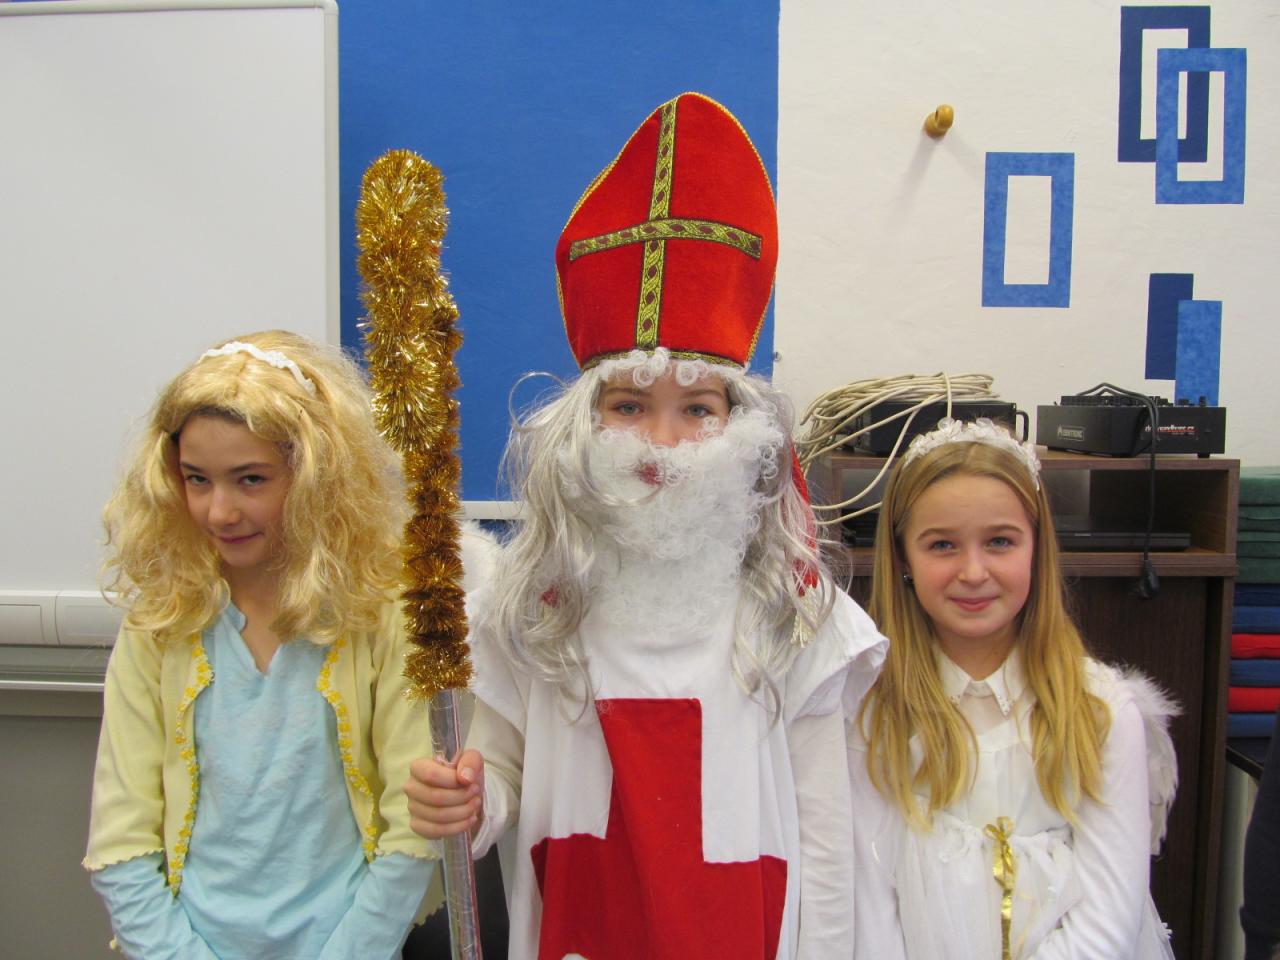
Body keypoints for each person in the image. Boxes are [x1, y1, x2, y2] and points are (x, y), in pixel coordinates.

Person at [404, 91, 887, 959]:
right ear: (583, 424)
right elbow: (503, 767)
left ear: (744, 428)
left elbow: (826, 842)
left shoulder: (795, 611)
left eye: (697, 410)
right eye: (628, 405)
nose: (660, 443)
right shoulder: (536, 605)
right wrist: (472, 800)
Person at [84, 330, 438, 959]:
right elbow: (121, 836)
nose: (219, 512)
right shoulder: (161, 622)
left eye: (250, 480)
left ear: (316, 478)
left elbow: (412, 829)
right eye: (197, 480)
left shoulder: (382, 612)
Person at [848, 417, 1180, 960]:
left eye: (999, 541)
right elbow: (869, 906)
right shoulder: (869, 712)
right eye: (942, 545)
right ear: (904, 558)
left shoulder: (1099, 710)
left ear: (1037, 548)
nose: (973, 571)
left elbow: (1108, 920)